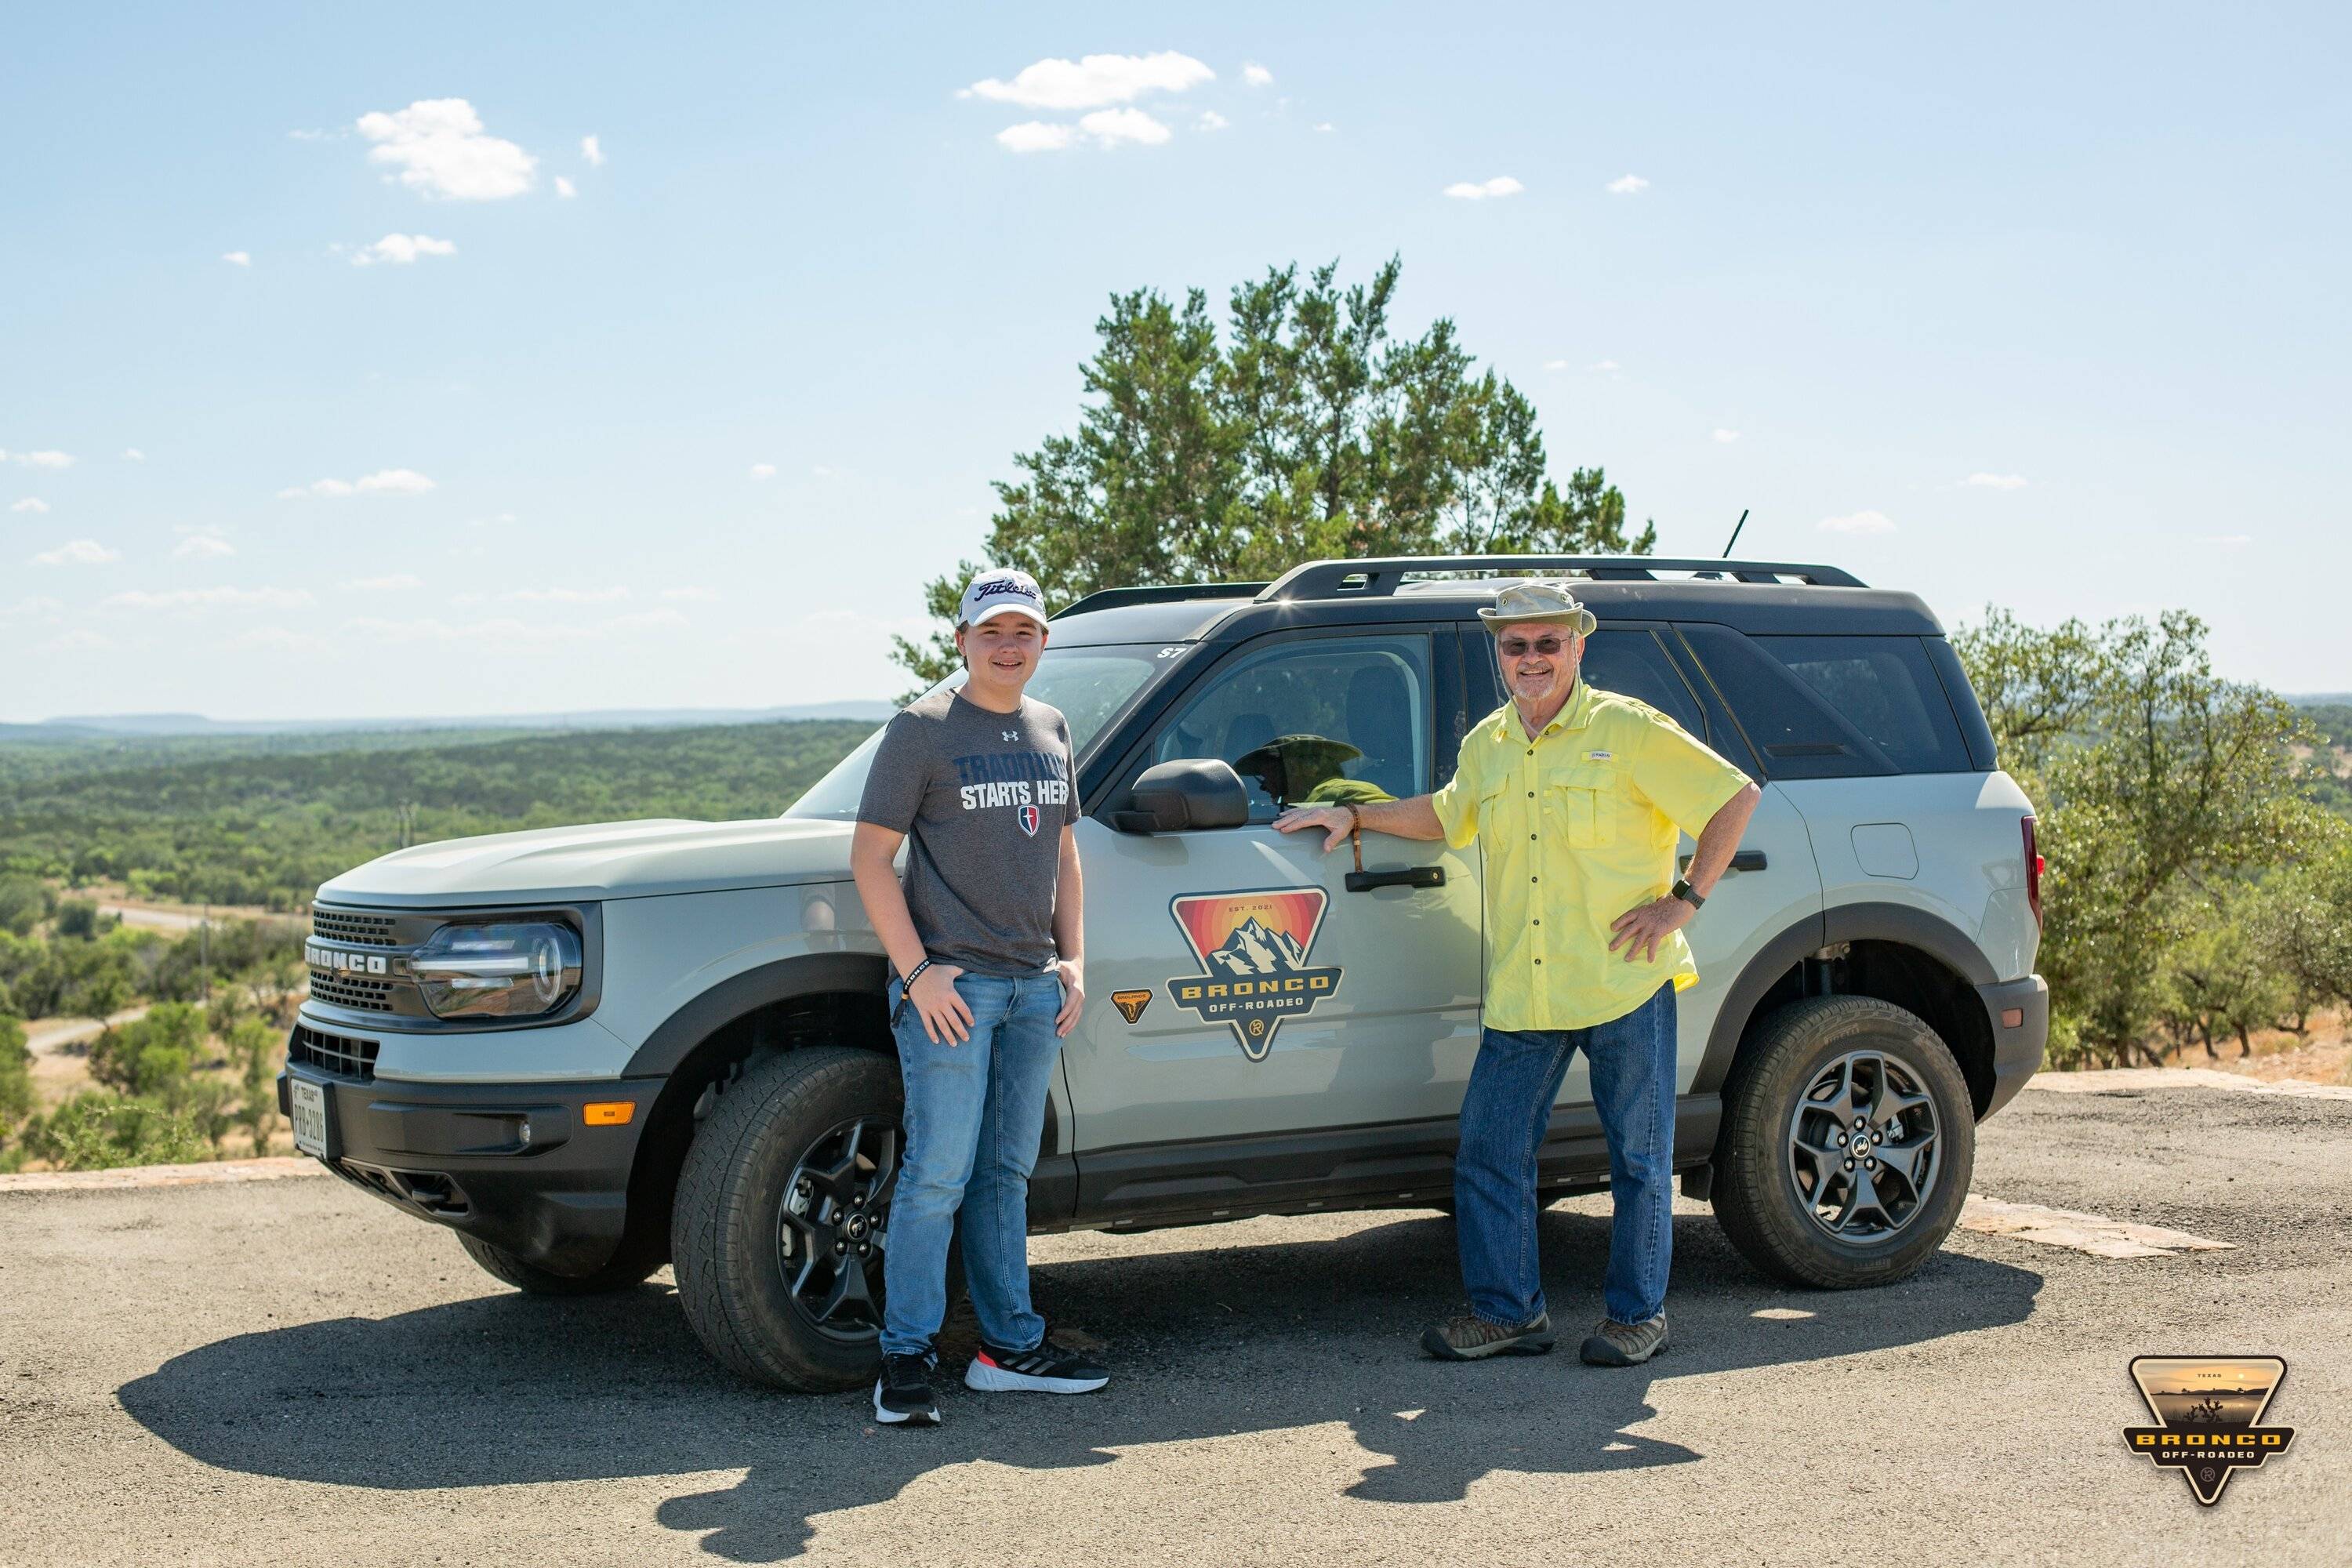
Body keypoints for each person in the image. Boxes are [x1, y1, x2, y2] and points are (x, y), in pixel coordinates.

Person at [1276, 580, 1759, 1367]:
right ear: (1498, 653)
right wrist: (1358, 814)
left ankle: (1638, 1317)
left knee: (1638, 1160)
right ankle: (1509, 1313)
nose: (1531, 658)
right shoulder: (1489, 743)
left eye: (1547, 642)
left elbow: (1734, 797)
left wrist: (1683, 901)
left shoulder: (1627, 729)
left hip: (1622, 979)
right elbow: (1448, 814)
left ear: (1577, 645)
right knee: (1489, 1151)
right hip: (1526, 987)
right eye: (1515, 645)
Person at [849, 567, 1109, 1425]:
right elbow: (869, 858)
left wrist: (1074, 959)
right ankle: (905, 1358)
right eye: (991, 630)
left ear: (1043, 641)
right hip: (953, 990)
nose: (1008, 645)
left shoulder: (1051, 727)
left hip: (1035, 989)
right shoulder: (921, 730)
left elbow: (1064, 852)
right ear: (961, 641)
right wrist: (917, 974)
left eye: (1023, 630)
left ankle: (1008, 1348)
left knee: (1005, 1174)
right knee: (937, 1175)